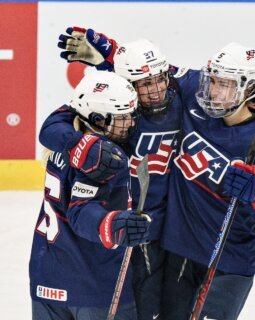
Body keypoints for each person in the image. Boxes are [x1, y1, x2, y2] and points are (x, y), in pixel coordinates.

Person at [51, 27, 255, 320]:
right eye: (213, 81)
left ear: (250, 88)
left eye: (225, 85)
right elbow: (145, 74)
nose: (214, 91)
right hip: (177, 251)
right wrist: (112, 56)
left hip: (228, 263)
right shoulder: (193, 93)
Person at [45, 32, 183, 320]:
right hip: (112, 232)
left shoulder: (177, 96)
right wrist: (78, 145)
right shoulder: (109, 104)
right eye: (144, 84)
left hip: (157, 230)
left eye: (159, 79)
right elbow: (51, 127)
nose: (155, 91)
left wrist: (112, 54)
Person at [30, 70, 152, 319]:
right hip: (94, 286)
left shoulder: (64, 139)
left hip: (47, 277)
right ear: (98, 119)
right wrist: (111, 225)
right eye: (122, 117)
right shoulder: (106, 158)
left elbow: (63, 115)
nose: (130, 123)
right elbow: (81, 210)